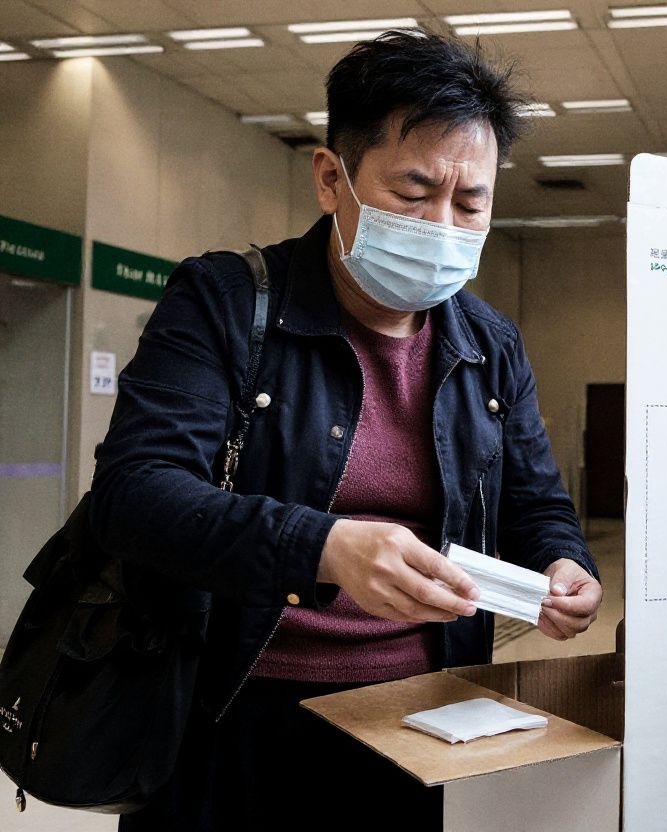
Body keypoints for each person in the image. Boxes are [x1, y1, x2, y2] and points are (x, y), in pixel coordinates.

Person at [90, 31, 602, 830]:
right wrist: (323, 547)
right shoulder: (224, 303)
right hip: (232, 719)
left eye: (471, 202)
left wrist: (561, 561)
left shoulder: (488, 343)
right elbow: (133, 495)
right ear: (333, 178)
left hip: (425, 720)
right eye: (413, 192)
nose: (444, 224)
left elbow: (534, 502)